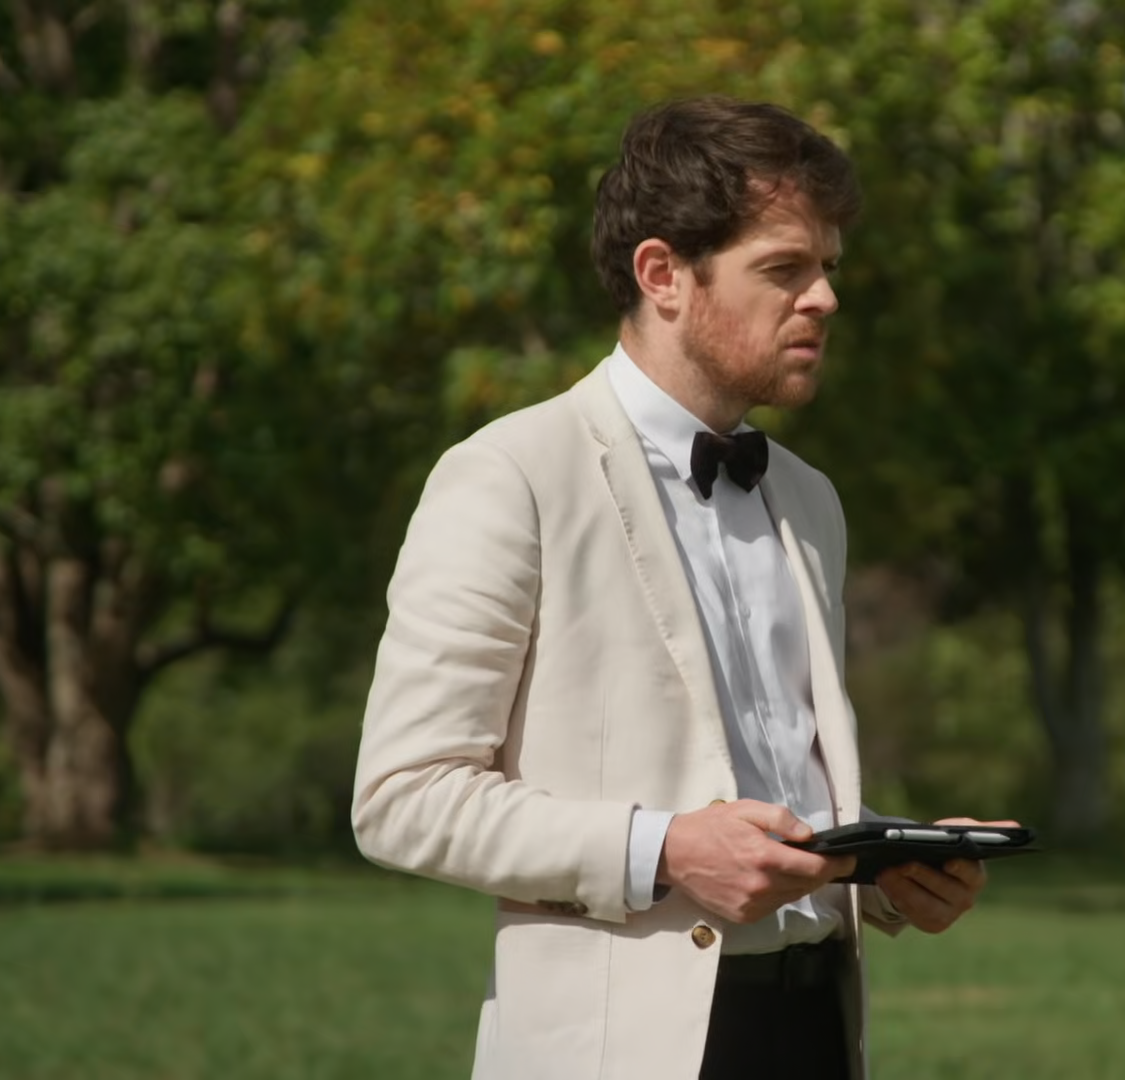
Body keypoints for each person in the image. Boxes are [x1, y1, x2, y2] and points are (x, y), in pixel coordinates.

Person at [351, 96, 1015, 1080]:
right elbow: (402, 796)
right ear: (662, 274)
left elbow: (774, 787)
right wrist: (663, 850)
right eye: (785, 269)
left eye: (828, 268)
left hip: (822, 1028)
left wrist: (884, 865)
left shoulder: (810, 500)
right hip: (619, 1049)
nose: (824, 299)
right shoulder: (511, 475)